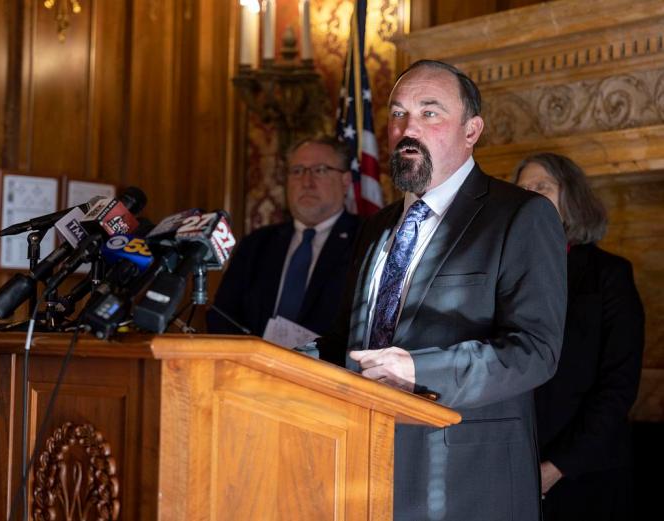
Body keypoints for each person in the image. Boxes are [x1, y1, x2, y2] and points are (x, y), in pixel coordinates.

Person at [314, 60, 567, 521]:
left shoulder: (520, 217)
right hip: (359, 469)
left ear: (472, 131)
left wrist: (419, 369)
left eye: (430, 113)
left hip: (466, 481)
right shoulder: (376, 228)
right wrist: (291, 356)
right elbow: (348, 344)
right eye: (398, 114)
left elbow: (535, 351)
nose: (408, 128)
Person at [513, 152, 644, 521]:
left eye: (542, 186)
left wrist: (556, 467)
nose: (529, 194)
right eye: (522, 189)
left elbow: (618, 386)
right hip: (513, 465)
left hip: (586, 474)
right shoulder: (505, 274)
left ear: (571, 198)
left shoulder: (610, 275)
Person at [207, 136, 361, 363]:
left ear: (346, 181)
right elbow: (222, 317)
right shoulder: (257, 244)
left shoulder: (366, 239)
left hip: (331, 382)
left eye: (319, 170)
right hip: (252, 379)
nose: (306, 182)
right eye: (297, 171)